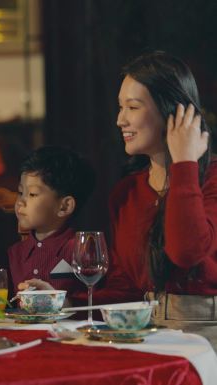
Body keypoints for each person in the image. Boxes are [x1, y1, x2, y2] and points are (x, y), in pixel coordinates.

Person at [107, 51, 216, 341]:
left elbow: (186, 252)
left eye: (132, 107)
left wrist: (184, 165)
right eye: (120, 107)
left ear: (171, 110)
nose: (120, 120)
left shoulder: (213, 179)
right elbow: (122, 285)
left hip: (205, 331)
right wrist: (66, 299)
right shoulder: (125, 193)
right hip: (141, 327)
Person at [9, 146, 95, 296]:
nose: (20, 202)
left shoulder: (82, 250)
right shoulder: (15, 253)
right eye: (21, 192)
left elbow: (97, 299)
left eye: (33, 194)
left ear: (64, 206)